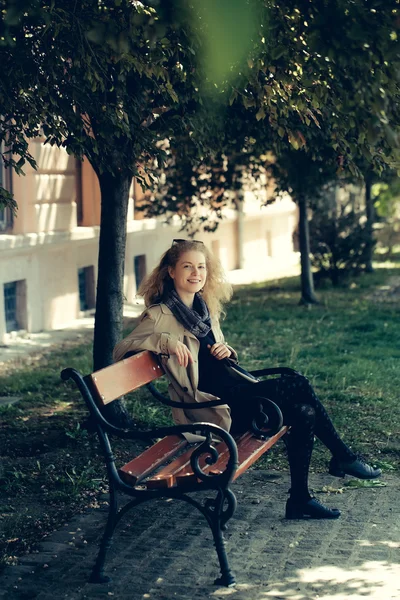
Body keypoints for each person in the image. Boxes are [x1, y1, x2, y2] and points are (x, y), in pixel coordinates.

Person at [114, 239, 381, 519]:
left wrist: (227, 350)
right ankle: (343, 457)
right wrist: (164, 342)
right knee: (297, 384)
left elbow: (216, 360)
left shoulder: (203, 309)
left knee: (304, 413)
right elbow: (121, 350)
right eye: (187, 266)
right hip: (215, 408)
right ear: (171, 271)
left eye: (201, 267)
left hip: (237, 393)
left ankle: (300, 499)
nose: (196, 273)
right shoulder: (160, 314)